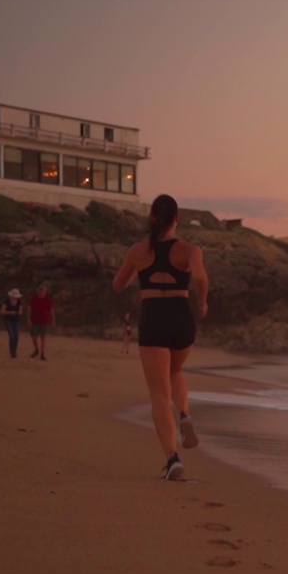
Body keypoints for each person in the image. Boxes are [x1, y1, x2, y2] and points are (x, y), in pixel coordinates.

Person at [112, 194, 209, 481]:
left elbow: (118, 285)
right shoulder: (190, 249)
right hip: (181, 316)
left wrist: (138, 272)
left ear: (152, 218)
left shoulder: (138, 251)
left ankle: (172, 459)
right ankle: (184, 414)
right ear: (177, 218)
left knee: (158, 394)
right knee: (176, 371)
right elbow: (201, 278)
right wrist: (202, 303)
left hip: (153, 317)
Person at [28, 284, 55, 360]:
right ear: (39, 292)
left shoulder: (48, 300)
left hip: (44, 321)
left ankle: (42, 353)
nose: (43, 293)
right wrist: (29, 319)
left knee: (43, 338)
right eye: (42, 292)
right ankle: (36, 349)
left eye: (45, 292)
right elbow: (29, 309)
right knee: (34, 337)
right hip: (35, 320)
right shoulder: (34, 299)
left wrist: (53, 320)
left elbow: (51, 311)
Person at [0, 288, 22, 358]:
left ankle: (14, 350)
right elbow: (2, 311)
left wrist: (19, 312)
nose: (15, 298)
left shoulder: (19, 302)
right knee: (11, 336)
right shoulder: (7, 301)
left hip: (16, 320)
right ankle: (12, 351)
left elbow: (21, 311)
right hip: (8, 320)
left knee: (16, 336)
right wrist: (9, 312)